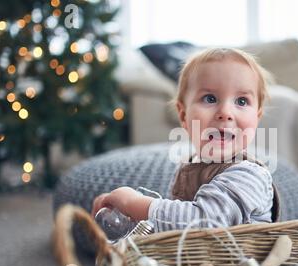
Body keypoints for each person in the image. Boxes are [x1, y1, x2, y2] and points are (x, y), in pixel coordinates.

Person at [91, 48, 280, 232]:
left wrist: (137, 204)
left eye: (241, 101)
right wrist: (123, 211)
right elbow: (174, 225)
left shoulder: (247, 175)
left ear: (257, 117)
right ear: (183, 115)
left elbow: (206, 223)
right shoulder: (189, 167)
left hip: (244, 262)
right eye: (210, 98)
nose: (225, 113)